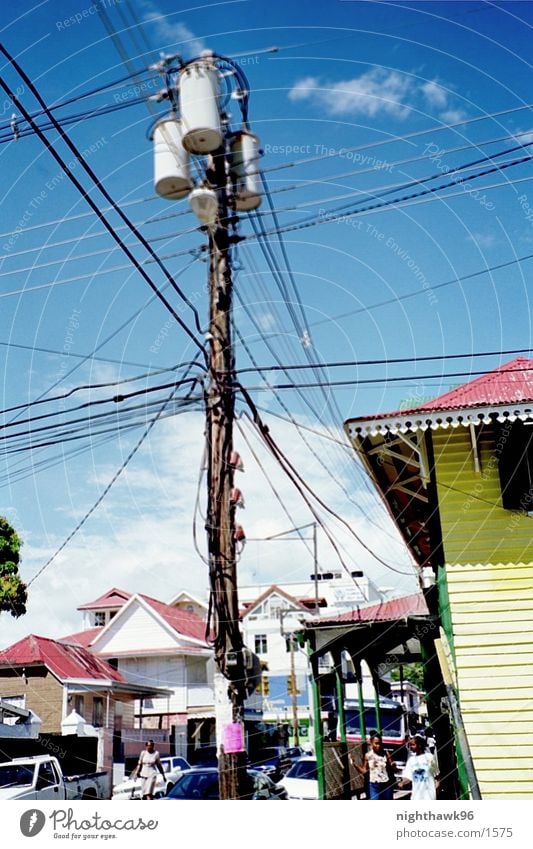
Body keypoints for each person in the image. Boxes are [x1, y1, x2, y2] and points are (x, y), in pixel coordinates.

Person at [352, 732, 395, 800]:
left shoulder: (385, 753)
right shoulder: (368, 756)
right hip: (374, 784)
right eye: (376, 743)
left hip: (385, 783)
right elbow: (364, 771)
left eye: (380, 743)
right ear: (371, 743)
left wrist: (393, 765)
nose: (378, 746)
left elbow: (392, 766)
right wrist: (354, 765)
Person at [399, 734, 439, 801]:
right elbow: (408, 778)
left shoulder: (430, 757)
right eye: (410, 745)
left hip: (429, 796)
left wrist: (436, 791)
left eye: (413, 745)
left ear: (419, 745)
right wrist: (402, 783)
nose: (411, 747)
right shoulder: (411, 761)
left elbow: (437, 776)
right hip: (416, 796)